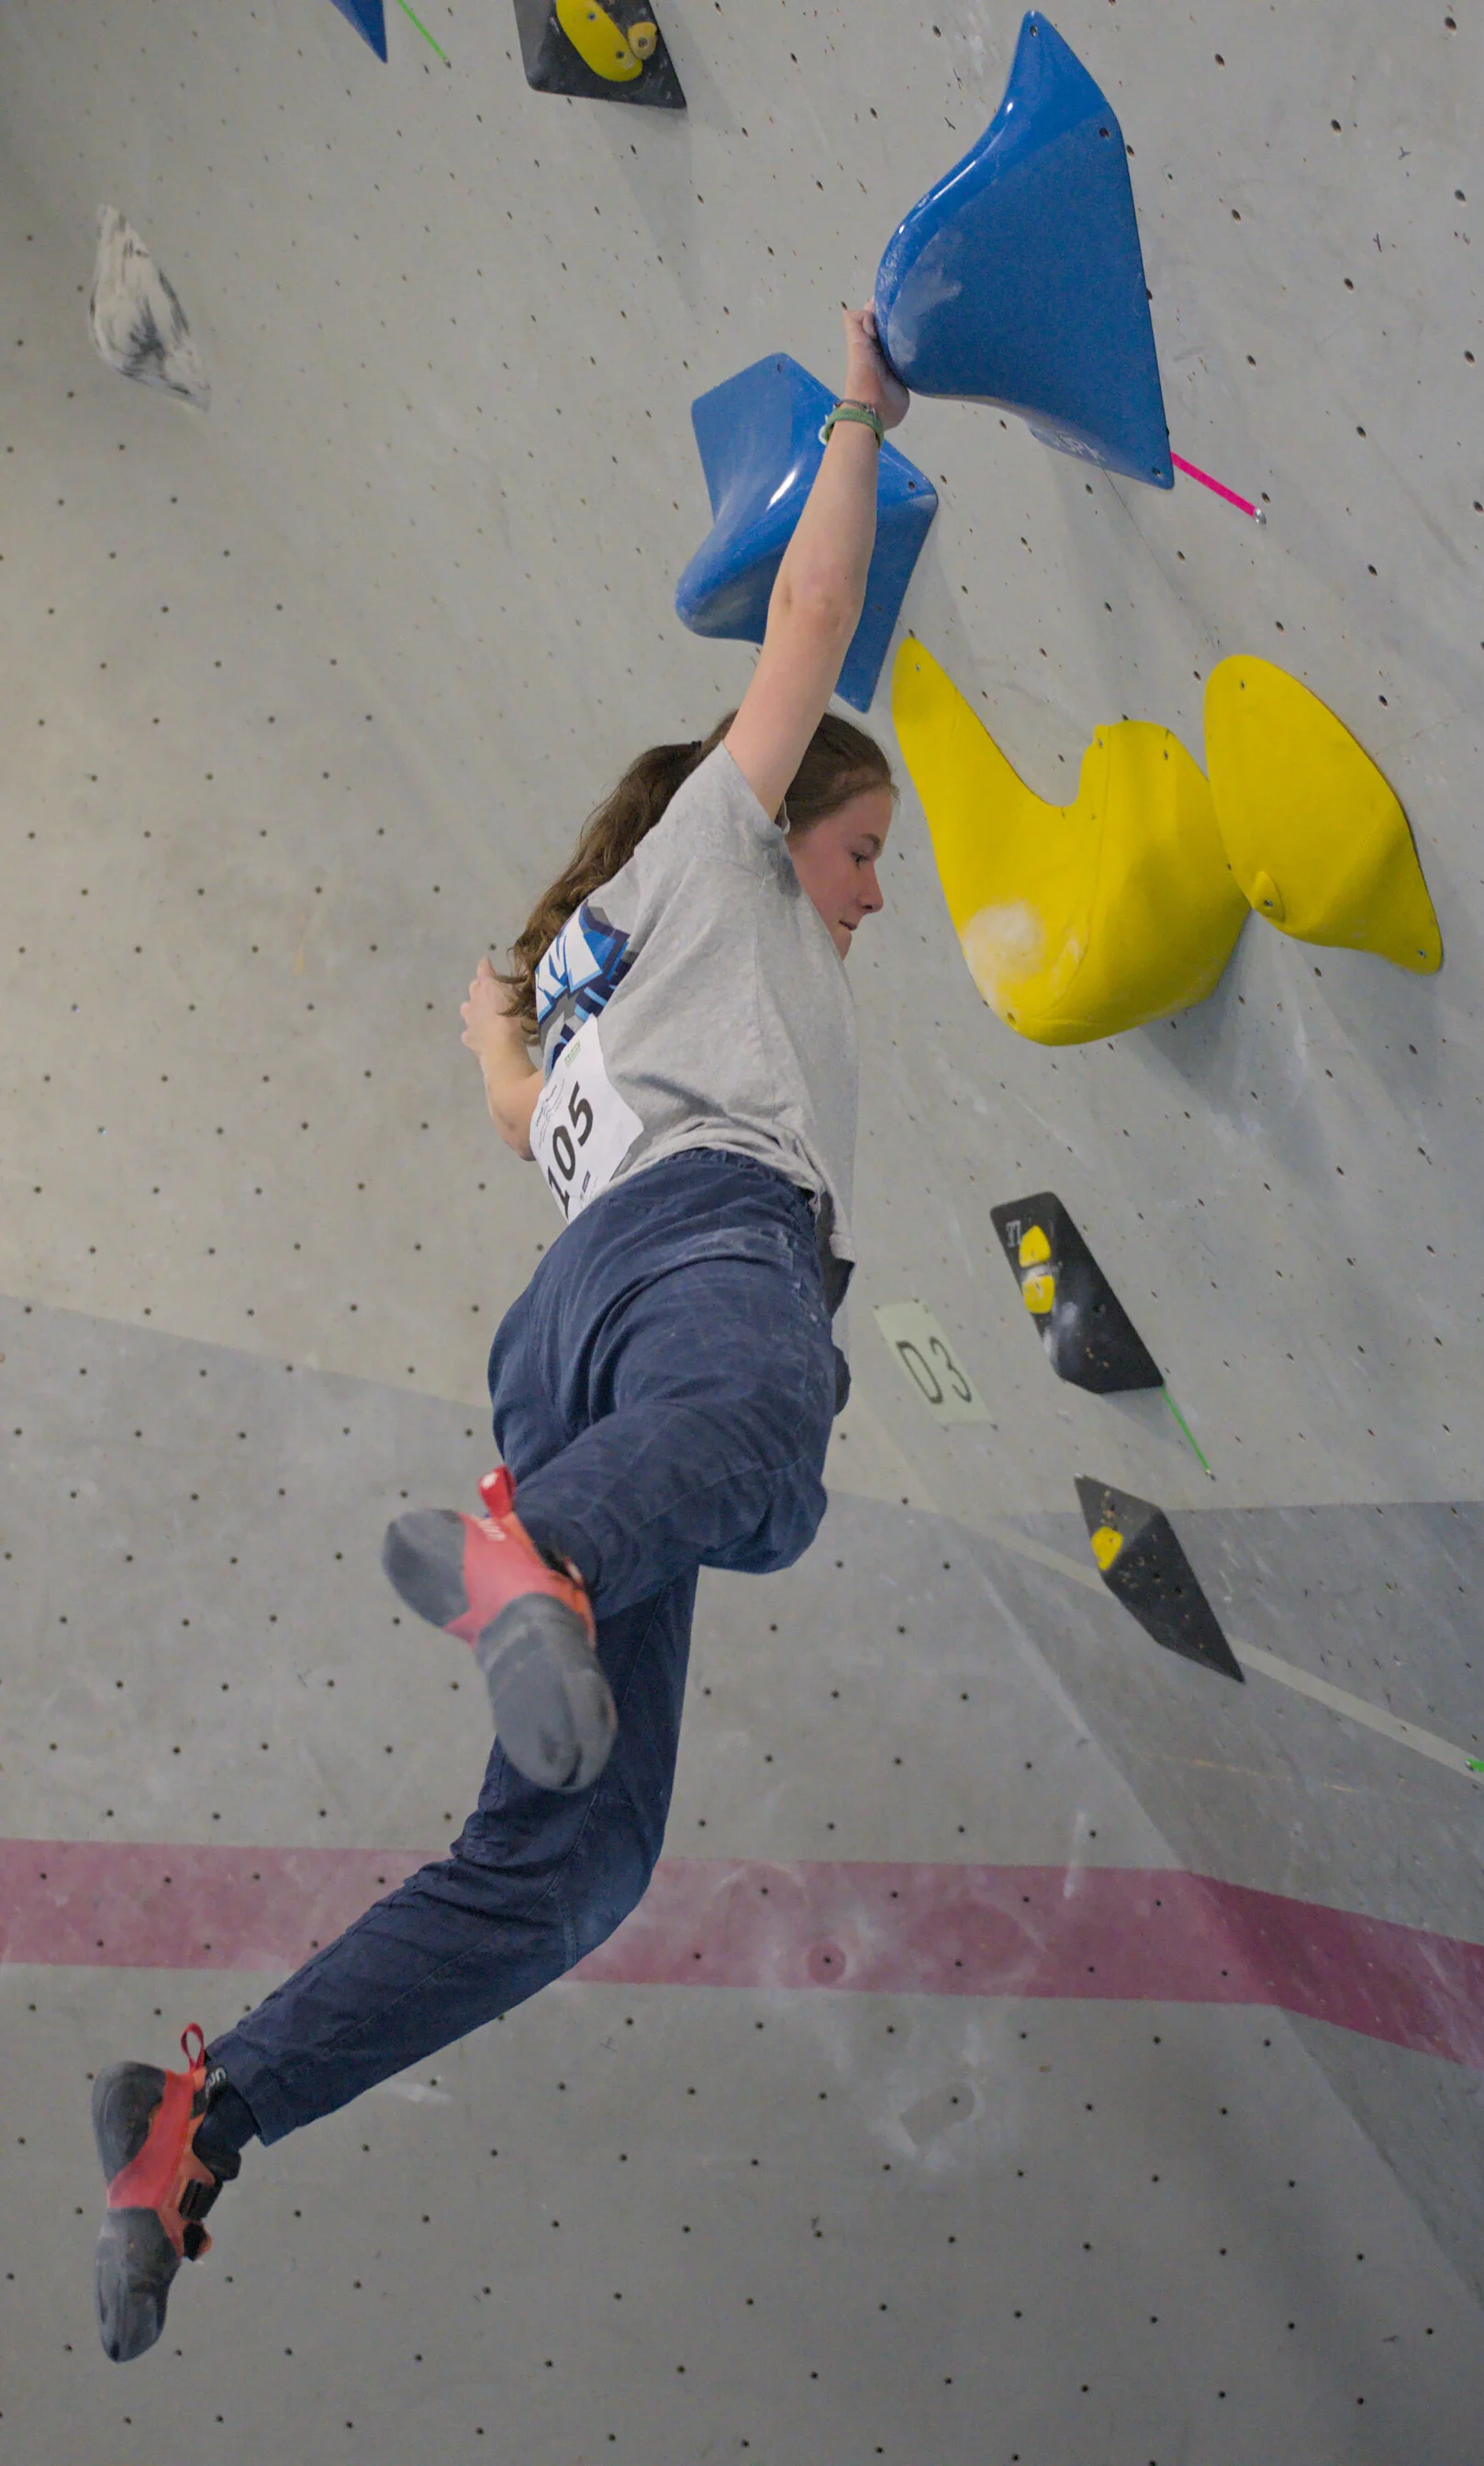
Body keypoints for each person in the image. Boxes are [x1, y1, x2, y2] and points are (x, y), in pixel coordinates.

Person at [88, 303, 909, 2363]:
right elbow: (815, 615)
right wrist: (862, 412)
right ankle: (519, 1550)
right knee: (777, 1440)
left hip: (567, 1340)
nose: (872, 894)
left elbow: (506, 1088)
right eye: (862, 849)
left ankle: (200, 2120)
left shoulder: (584, 998)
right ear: (772, 812)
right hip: (701, 1262)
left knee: (576, 1866)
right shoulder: (714, 832)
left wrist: (491, 1023)